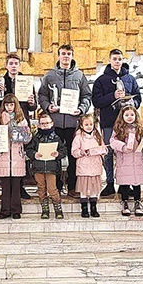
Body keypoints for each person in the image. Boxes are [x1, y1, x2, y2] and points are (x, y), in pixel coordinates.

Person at [38, 44, 92, 198]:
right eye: (63, 53)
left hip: (72, 123)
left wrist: (81, 110)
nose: (66, 56)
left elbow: (87, 96)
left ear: (72, 55)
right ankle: (56, 188)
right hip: (54, 124)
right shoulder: (49, 76)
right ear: (58, 56)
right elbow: (42, 95)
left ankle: (73, 187)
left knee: (73, 156)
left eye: (68, 53)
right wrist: (48, 107)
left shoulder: (80, 76)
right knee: (54, 156)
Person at [92, 49, 141, 198]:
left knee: (127, 153)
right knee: (109, 153)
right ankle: (110, 184)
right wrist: (112, 96)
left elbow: (138, 98)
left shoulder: (130, 79)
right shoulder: (101, 80)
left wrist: (133, 101)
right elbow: (96, 101)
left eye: (120, 59)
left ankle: (124, 184)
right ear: (110, 60)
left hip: (127, 124)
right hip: (109, 122)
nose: (117, 61)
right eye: (114, 59)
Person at [0, 53, 37, 200]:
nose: (14, 66)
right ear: (6, 65)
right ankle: (5, 190)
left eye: (16, 63)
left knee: (19, 156)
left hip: (21, 121)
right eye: (11, 63)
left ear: (19, 65)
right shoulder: (0, 82)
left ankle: (20, 188)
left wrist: (31, 102)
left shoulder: (27, 82)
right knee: (5, 156)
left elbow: (33, 107)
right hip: (4, 124)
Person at [0, 94, 32, 219]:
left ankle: (16, 210)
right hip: (3, 157)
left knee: (16, 185)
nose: (9, 107)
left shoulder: (21, 119)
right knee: (5, 186)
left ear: (16, 106)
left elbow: (26, 140)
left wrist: (27, 134)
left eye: (11, 105)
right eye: (7, 105)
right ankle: (4, 210)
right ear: (3, 105)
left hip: (17, 156)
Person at [109, 105, 143, 216]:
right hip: (124, 161)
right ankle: (125, 202)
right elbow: (112, 141)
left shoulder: (140, 128)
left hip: (137, 160)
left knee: (137, 182)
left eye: (132, 114)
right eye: (127, 115)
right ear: (122, 116)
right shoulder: (118, 129)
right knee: (125, 183)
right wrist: (123, 147)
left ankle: (138, 202)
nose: (129, 117)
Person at [25, 113, 67, 219]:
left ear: (52, 123)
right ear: (39, 125)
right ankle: (45, 209)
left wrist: (58, 154)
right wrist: (34, 154)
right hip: (38, 167)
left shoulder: (56, 137)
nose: (45, 125)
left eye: (47, 123)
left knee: (52, 189)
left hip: (51, 168)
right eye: (42, 123)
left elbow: (63, 150)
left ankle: (58, 209)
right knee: (41, 188)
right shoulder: (36, 138)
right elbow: (29, 150)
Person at [71, 114, 106, 218]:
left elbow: (103, 148)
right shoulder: (78, 137)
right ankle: (84, 208)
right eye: (86, 124)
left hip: (95, 166)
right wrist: (81, 152)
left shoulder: (97, 136)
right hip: (84, 167)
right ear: (81, 126)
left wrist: (99, 150)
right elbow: (74, 151)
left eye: (91, 124)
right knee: (84, 189)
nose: (89, 126)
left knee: (94, 189)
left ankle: (94, 208)